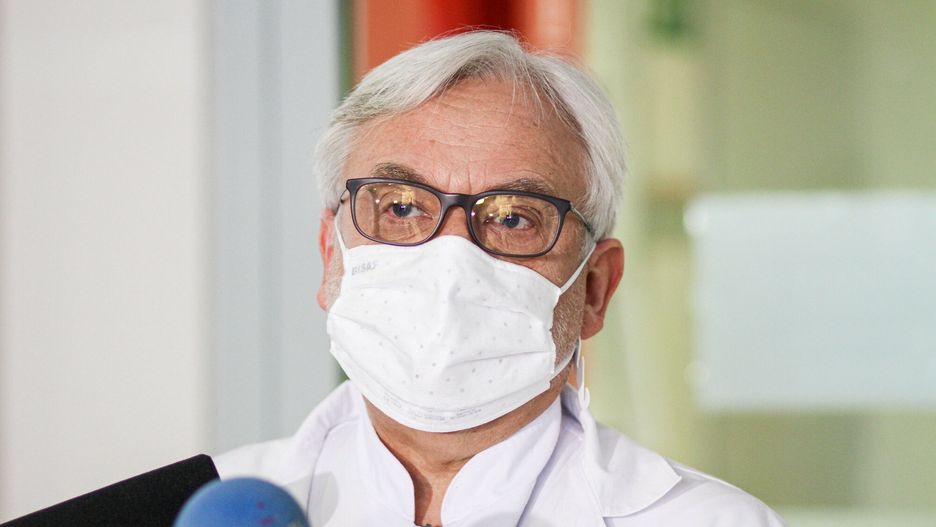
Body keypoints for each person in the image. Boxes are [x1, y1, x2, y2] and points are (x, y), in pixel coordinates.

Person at [215, 31, 787, 527]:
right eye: (401, 207)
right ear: (329, 258)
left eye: (513, 218)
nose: (450, 261)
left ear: (595, 288)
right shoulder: (184, 508)